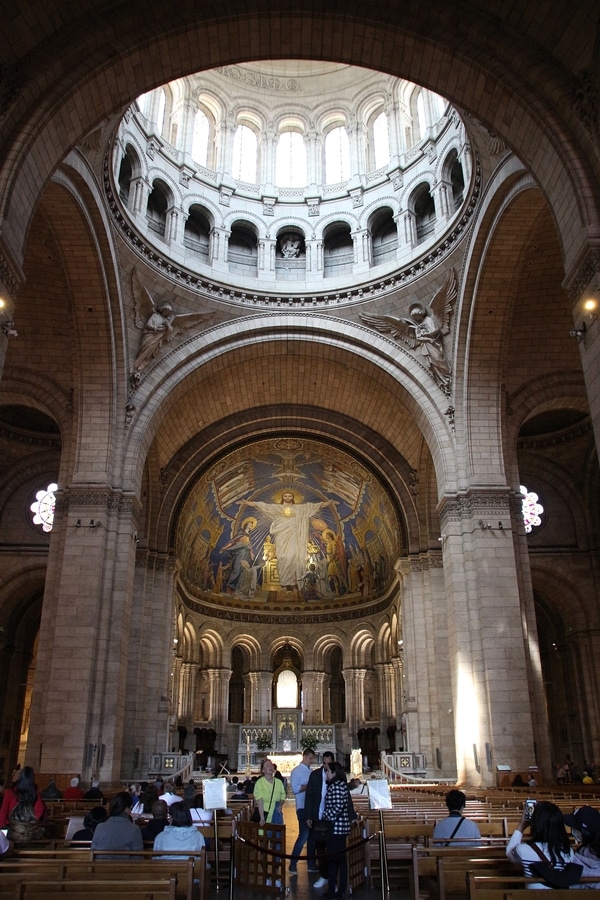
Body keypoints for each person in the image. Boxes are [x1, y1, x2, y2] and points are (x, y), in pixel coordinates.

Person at [252, 492, 330, 588]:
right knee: (282, 557)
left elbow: (315, 506)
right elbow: (263, 506)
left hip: (294, 536)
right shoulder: (277, 508)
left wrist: (329, 503)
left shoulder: (300, 508)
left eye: (290, 496)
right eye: (285, 496)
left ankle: (293, 582)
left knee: (293, 555)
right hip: (281, 536)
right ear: (282, 497)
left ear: (293, 497)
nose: (287, 497)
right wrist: (246, 503)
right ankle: (284, 582)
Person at [506, 799, 575, 889]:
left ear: (536, 824)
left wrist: (521, 825)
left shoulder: (524, 850)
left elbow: (509, 852)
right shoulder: (568, 851)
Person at [320, 761, 352, 900]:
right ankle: (334, 888)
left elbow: (338, 807)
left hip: (336, 827)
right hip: (337, 827)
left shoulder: (338, 786)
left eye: (327, 771)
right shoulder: (337, 785)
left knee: (336, 859)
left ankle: (338, 890)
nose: (326, 774)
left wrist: (326, 816)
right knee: (335, 859)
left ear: (334, 773)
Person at [306, 750, 336, 886]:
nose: (326, 766)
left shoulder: (337, 775)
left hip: (332, 818)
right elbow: (309, 796)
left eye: (328, 763)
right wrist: (308, 815)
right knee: (319, 848)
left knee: (332, 849)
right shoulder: (315, 775)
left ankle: (333, 879)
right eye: (324, 763)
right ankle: (324, 875)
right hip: (318, 817)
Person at [289, 747, 316, 874]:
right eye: (310, 758)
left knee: (311, 837)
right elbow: (294, 789)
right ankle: (293, 863)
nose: (311, 761)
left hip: (311, 807)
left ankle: (311, 864)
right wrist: (309, 786)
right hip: (302, 807)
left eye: (312, 759)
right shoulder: (296, 771)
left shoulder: (311, 772)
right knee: (304, 835)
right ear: (304, 757)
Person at [91, 791, 143, 856]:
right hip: (125, 865)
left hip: (101, 865)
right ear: (126, 808)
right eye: (130, 807)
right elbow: (138, 858)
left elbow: (92, 852)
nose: (131, 809)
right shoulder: (134, 829)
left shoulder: (99, 827)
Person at [0, 765, 46, 833]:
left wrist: (2, 828)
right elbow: (40, 810)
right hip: (28, 829)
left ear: (20, 777)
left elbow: (3, 812)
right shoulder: (34, 792)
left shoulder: (11, 792)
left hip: (12, 827)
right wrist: (31, 823)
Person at [564, 806, 600, 885]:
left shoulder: (582, 857)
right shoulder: (592, 852)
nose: (573, 830)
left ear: (584, 832)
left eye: (575, 828)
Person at [253, 758, 286, 826]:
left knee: (277, 834)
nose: (270, 767)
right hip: (265, 813)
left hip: (276, 814)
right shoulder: (260, 783)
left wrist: (280, 805)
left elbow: (283, 796)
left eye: (271, 765)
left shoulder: (278, 782)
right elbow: (260, 801)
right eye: (267, 765)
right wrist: (262, 818)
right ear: (263, 770)